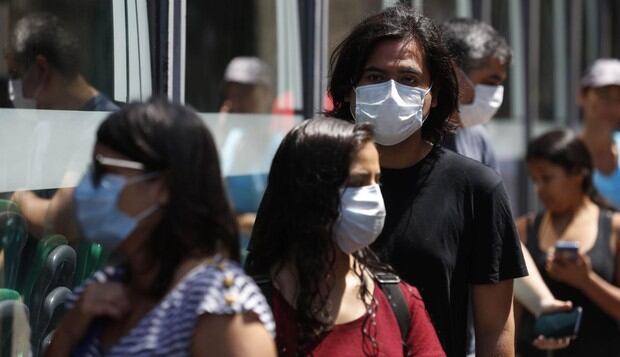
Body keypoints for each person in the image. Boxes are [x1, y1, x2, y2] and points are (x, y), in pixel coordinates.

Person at [326, 6, 527, 356]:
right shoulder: (312, 175)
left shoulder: (476, 188)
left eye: (408, 79)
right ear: (349, 89)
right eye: (374, 76)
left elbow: (496, 328)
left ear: (434, 95)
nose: (390, 92)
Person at [46, 99, 276, 356]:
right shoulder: (104, 286)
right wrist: (71, 328)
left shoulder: (223, 308)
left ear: (164, 187)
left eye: (106, 171)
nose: (89, 185)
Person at [246, 117, 445, 356]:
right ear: (309, 191)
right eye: (358, 182)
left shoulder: (399, 300)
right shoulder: (250, 310)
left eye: (376, 181)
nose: (373, 196)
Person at [441, 18, 572, 352]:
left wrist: (543, 303)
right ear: (454, 72)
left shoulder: (477, 139)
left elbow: (499, 240)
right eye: (491, 81)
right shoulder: (408, 140)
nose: (496, 95)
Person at [7, 12, 119, 241]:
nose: (12, 88)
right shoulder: (45, 129)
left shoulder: (103, 127)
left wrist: (20, 201)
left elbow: (59, 222)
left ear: (41, 69)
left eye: (16, 75)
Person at [517, 129, 620, 356]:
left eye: (547, 178)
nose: (539, 189)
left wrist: (587, 281)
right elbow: (511, 312)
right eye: (534, 180)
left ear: (578, 174)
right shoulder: (525, 230)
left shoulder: (613, 229)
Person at [579, 58, 620, 208]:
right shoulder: (565, 154)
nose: (612, 107)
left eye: (619, 99)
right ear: (582, 96)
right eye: (604, 96)